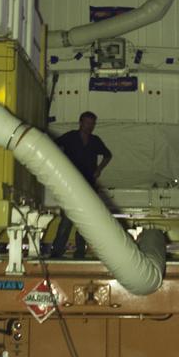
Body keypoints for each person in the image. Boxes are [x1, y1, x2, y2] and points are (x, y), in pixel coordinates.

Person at [50, 111, 113, 259]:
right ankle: (57, 253)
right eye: (87, 123)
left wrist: (99, 169)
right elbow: (53, 145)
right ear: (80, 123)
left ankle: (80, 253)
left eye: (92, 124)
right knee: (66, 221)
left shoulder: (95, 140)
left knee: (84, 223)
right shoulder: (70, 137)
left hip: (89, 187)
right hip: (70, 187)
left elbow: (108, 155)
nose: (90, 126)